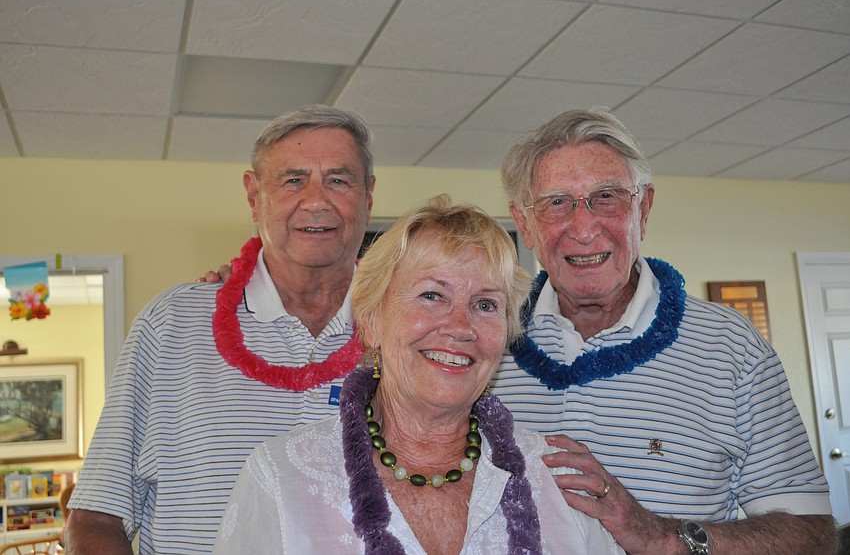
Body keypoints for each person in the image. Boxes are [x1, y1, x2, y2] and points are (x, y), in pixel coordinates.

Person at [493, 106, 837, 554]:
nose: (583, 228)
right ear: (524, 224)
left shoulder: (732, 348)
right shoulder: (487, 341)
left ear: (644, 207)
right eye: (557, 203)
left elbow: (813, 536)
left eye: (607, 196)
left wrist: (659, 535)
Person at [213, 195, 624, 554]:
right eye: (432, 295)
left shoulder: (556, 479)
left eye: (485, 304)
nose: (461, 327)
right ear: (372, 321)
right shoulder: (283, 477)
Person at [65, 105, 376, 554]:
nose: (316, 200)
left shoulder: (415, 330)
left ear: (368, 196)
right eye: (292, 180)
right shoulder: (170, 323)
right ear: (253, 196)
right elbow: (95, 518)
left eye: (339, 179)